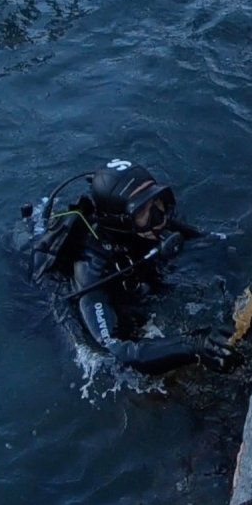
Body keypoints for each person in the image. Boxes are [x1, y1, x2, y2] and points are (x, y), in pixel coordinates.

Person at [22, 160, 236, 374]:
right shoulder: (91, 268)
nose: (160, 216)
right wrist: (193, 347)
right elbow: (113, 351)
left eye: (158, 200)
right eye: (143, 210)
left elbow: (216, 243)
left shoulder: (151, 225)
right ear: (120, 221)